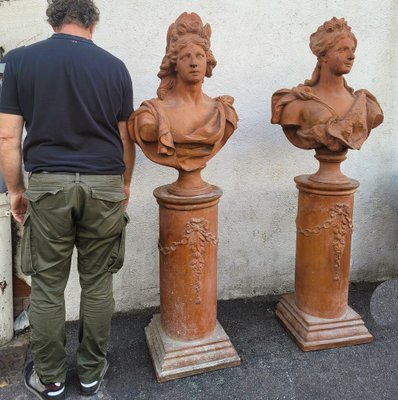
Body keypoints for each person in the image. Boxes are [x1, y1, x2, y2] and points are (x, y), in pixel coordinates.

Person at [0, 0, 135, 398]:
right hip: (105, 184)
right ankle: (92, 374)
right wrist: (124, 185)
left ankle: (51, 378)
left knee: (46, 286)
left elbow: (8, 137)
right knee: (97, 283)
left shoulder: (22, 62)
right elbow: (126, 139)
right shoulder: (115, 66)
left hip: (49, 185)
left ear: (53, 20)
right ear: (92, 22)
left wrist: (16, 191)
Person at [129, 12, 238, 175]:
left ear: (207, 61)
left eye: (199, 56)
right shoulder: (151, 113)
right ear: (174, 65)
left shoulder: (222, 113)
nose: (194, 63)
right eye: (186, 57)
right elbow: (145, 130)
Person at [271, 17, 383, 152]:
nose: (351, 56)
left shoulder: (365, 104)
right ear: (323, 55)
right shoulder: (297, 104)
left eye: (353, 50)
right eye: (342, 49)